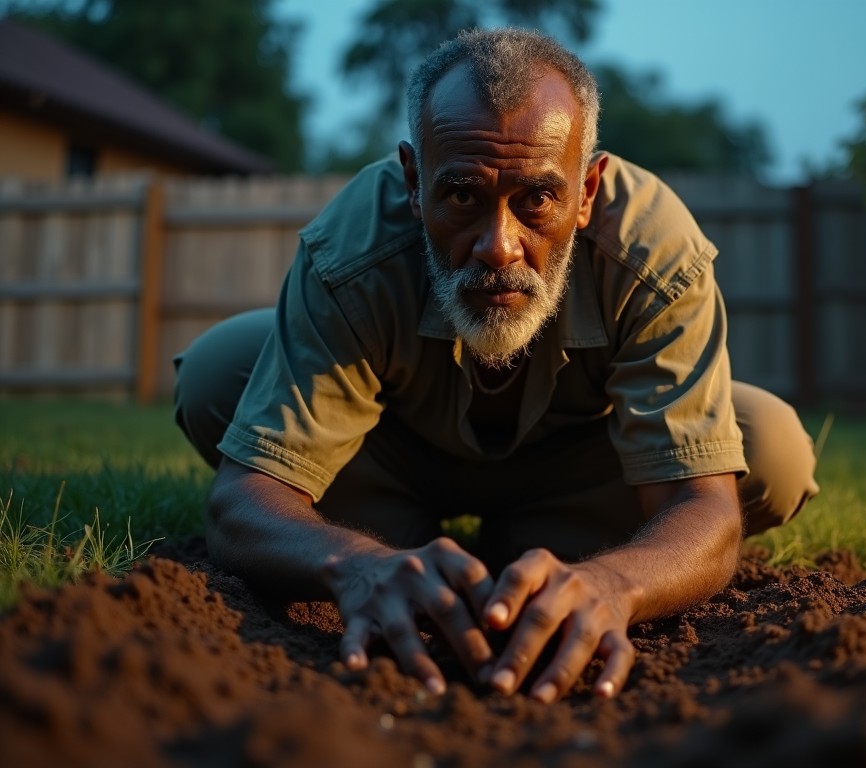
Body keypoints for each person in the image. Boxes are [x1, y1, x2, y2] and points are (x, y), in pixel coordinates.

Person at [174, 27, 818, 705]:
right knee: (219, 375)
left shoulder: (654, 251)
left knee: (768, 451)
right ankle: (403, 543)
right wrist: (357, 565)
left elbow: (700, 506)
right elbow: (243, 500)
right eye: (462, 196)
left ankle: (547, 543)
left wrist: (615, 585)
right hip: (391, 456)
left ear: (589, 187)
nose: (498, 246)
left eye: (538, 198)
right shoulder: (351, 247)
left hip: (579, 468)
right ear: (413, 181)